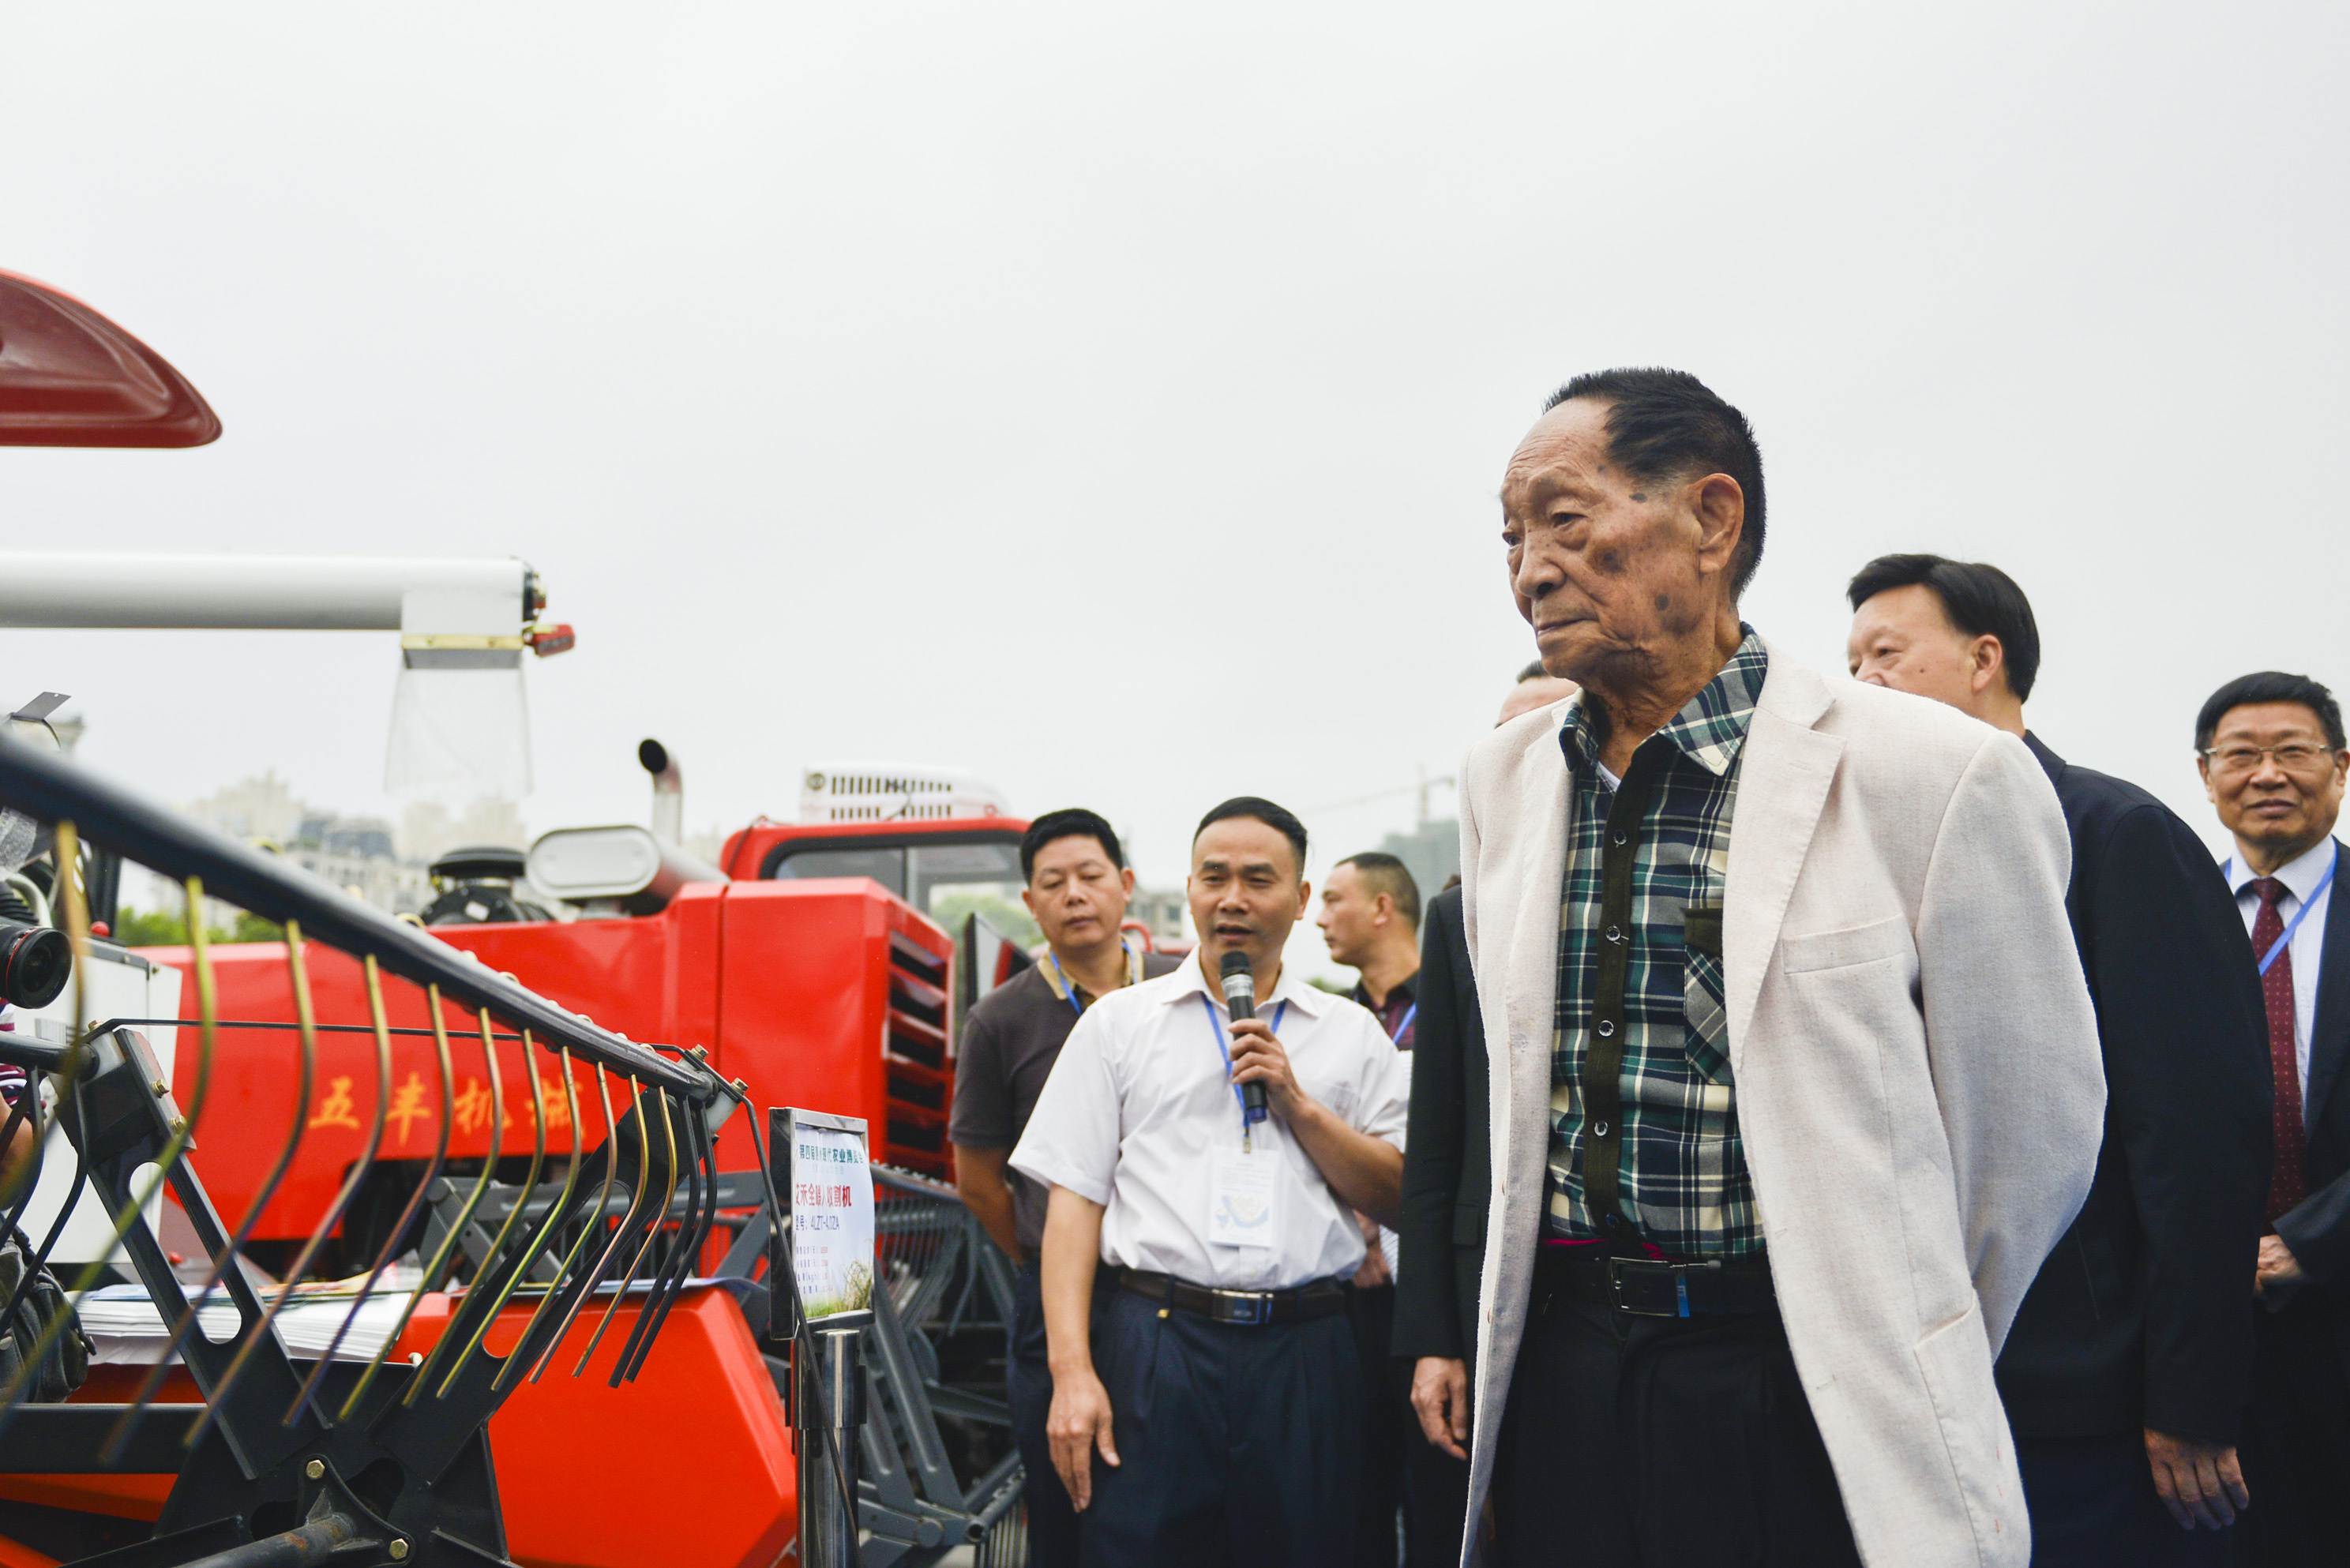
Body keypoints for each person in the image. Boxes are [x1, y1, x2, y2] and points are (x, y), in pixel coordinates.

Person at [1458, 367, 2104, 1568]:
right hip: (1564, 1371)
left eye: (1566, 519)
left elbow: (2030, 1135)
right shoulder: (1504, 782)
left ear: (1713, 518)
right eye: (1511, 537)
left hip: (1796, 1378)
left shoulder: (1933, 774)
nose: (1531, 569)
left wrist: (1901, 1323)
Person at [1847, 554, 2270, 1562]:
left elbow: (2198, 1135)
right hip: (1927, 1381)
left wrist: (2190, 1394)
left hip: (2090, 1395)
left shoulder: (2117, 835)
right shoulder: (1870, 857)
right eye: (1850, 662)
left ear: (1983, 660)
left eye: (1886, 655)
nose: (1860, 683)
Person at [1011, 797, 1410, 1568]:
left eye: (1259, 880)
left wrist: (1298, 1105)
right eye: (1214, 877)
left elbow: (1397, 1194)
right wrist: (1072, 1373)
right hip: (1157, 1344)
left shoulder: (1351, 1034)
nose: (1233, 899)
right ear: (1189, 888)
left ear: (1300, 898)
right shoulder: (1119, 1026)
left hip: (1307, 1350)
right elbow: (1074, 1205)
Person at [949, 808, 1179, 1568]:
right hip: (1056, 1304)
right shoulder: (1000, 1020)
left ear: (1126, 884)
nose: (1074, 894)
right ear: (1031, 902)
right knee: (1065, 1502)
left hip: (1170, 1294)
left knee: (1171, 1502)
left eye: (1090, 875)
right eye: (1053, 883)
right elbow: (979, 1180)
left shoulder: (1183, 991)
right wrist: (1046, 1260)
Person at [2194, 671, 2350, 1562]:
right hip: (2209, 1321)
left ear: (2341, 768)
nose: (2267, 774)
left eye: (2293, 752)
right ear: (2206, 774)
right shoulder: (2169, 915)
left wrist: (2313, 1239)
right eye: (2241, 755)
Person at [1319, 851, 1427, 1566]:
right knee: (1354, 1485)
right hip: (1347, 1292)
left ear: (1383, 908)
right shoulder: (1332, 1021)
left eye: (1333, 899)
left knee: (1435, 1486)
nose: (1319, 917)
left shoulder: (1457, 1002)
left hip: (1431, 1289)